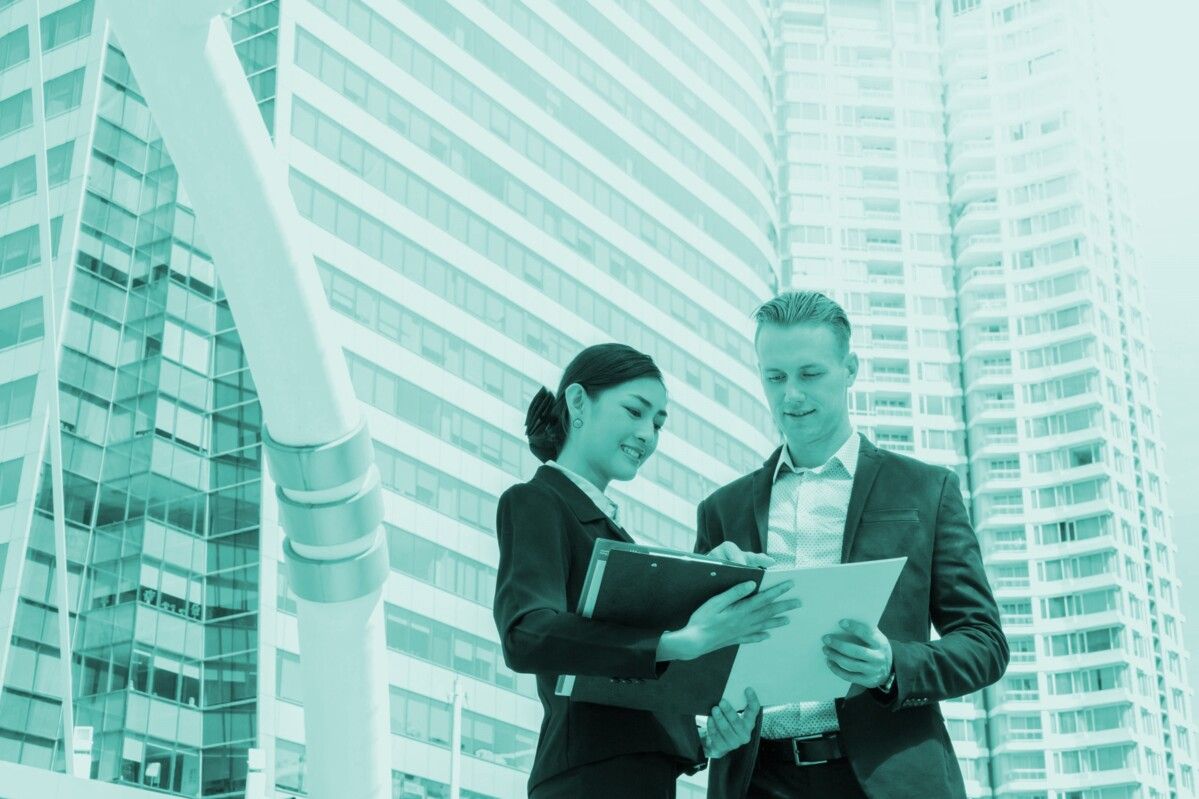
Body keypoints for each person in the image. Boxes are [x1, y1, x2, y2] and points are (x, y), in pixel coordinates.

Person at [697, 292, 1009, 799]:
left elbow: (985, 644)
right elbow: (703, 661)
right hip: (757, 781)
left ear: (850, 369)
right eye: (775, 377)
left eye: (810, 374)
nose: (791, 395)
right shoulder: (721, 511)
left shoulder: (926, 491)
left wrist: (892, 666)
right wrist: (713, 717)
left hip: (888, 779)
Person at [493, 343, 800, 799]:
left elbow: (628, 693)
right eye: (635, 411)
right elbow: (526, 634)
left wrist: (705, 741)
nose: (647, 434)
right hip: (584, 784)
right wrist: (683, 641)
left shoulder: (614, 538)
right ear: (578, 402)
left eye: (657, 423)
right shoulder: (537, 500)